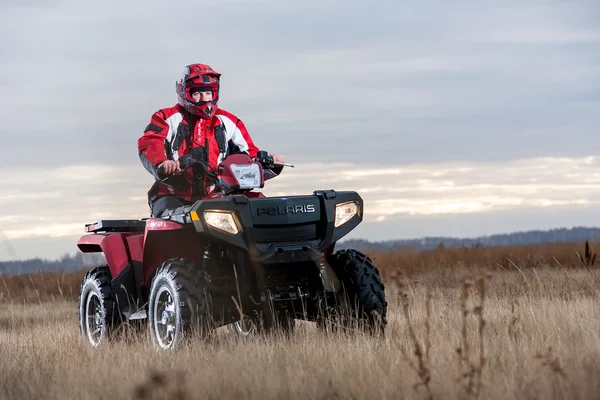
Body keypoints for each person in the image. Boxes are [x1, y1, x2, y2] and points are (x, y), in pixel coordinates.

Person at [138, 63, 285, 217]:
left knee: (258, 212)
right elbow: (150, 143)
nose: (204, 98)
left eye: (208, 93)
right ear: (184, 92)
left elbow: (248, 154)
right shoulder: (166, 117)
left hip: (220, 195)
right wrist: (162, 163)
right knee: (172, 225)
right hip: (172, 195)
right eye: (196, 94)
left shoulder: (229, 122)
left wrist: (269, 164)